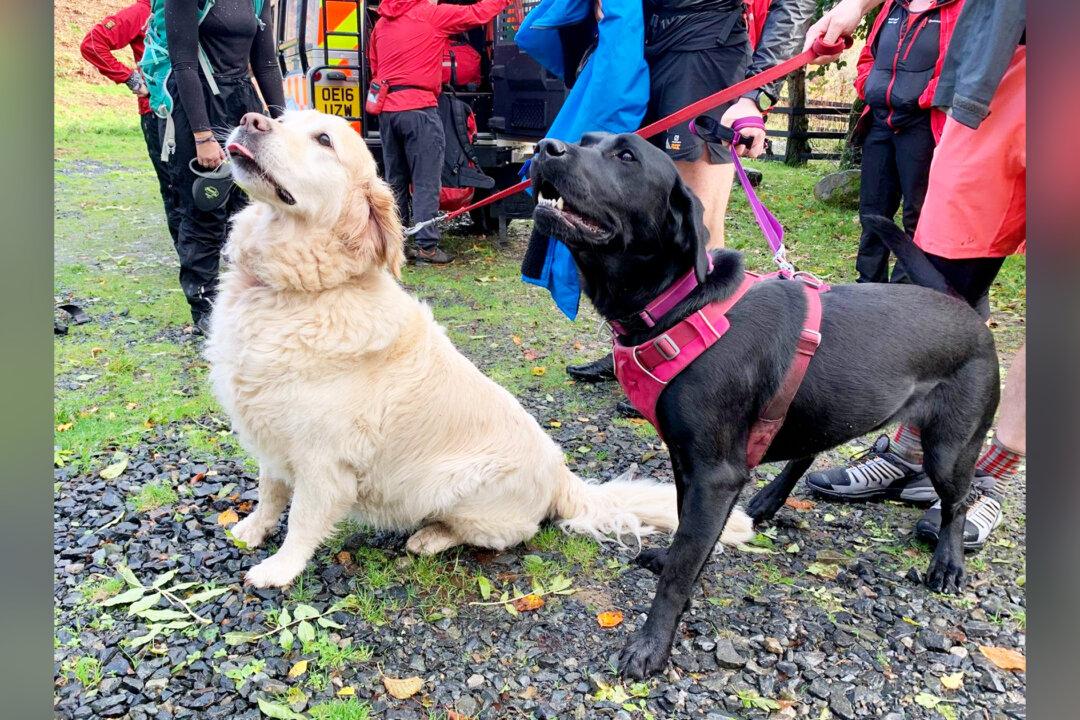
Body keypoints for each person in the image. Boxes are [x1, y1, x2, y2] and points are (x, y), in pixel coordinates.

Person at [803, 0, 1026, 550]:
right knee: (938, 277)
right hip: (997, 72)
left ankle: (992, 472)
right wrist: (855, 5)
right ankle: (908, 449)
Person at [567, 0, 816, 383]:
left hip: (707, 54)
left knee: (699, 226)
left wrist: (757, 90)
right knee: (630, 215)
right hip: (640, 47)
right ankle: (636, 347)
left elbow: (795, 3)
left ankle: (690, 366)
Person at [164, 0, 286, 335]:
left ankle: (250, 298)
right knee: (205, 205)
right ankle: (204, 307)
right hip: (199, 100)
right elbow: (183, 64)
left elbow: (266, 64)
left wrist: (280, 124)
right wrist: (202, 135)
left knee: (253, 206)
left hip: (242, 100)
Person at [369, 0, 513, 266]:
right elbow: (476, 13)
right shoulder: (431, 15)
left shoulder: (380, 23)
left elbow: (376, 68)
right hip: (420, 109)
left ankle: (394, 246)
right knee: (425, 181)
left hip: (388, 111)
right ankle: (426, 247)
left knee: (395, 180)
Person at [850, 0, 964, 284]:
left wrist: (923, 97)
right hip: (879, 122)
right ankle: (868, 287)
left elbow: (961, 64)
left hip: (922, 125)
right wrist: (868, 86)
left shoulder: (957, 8)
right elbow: (868, 56)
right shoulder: (891, 6)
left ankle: (906, 290)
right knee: (873, 213)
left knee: (918, 214)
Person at [81, 0, 183, 250]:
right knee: (174, 186)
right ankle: (189, 256)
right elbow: (93, 43)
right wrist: (132, 79)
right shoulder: (144, 11)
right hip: (158, 112)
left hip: (199, 109)